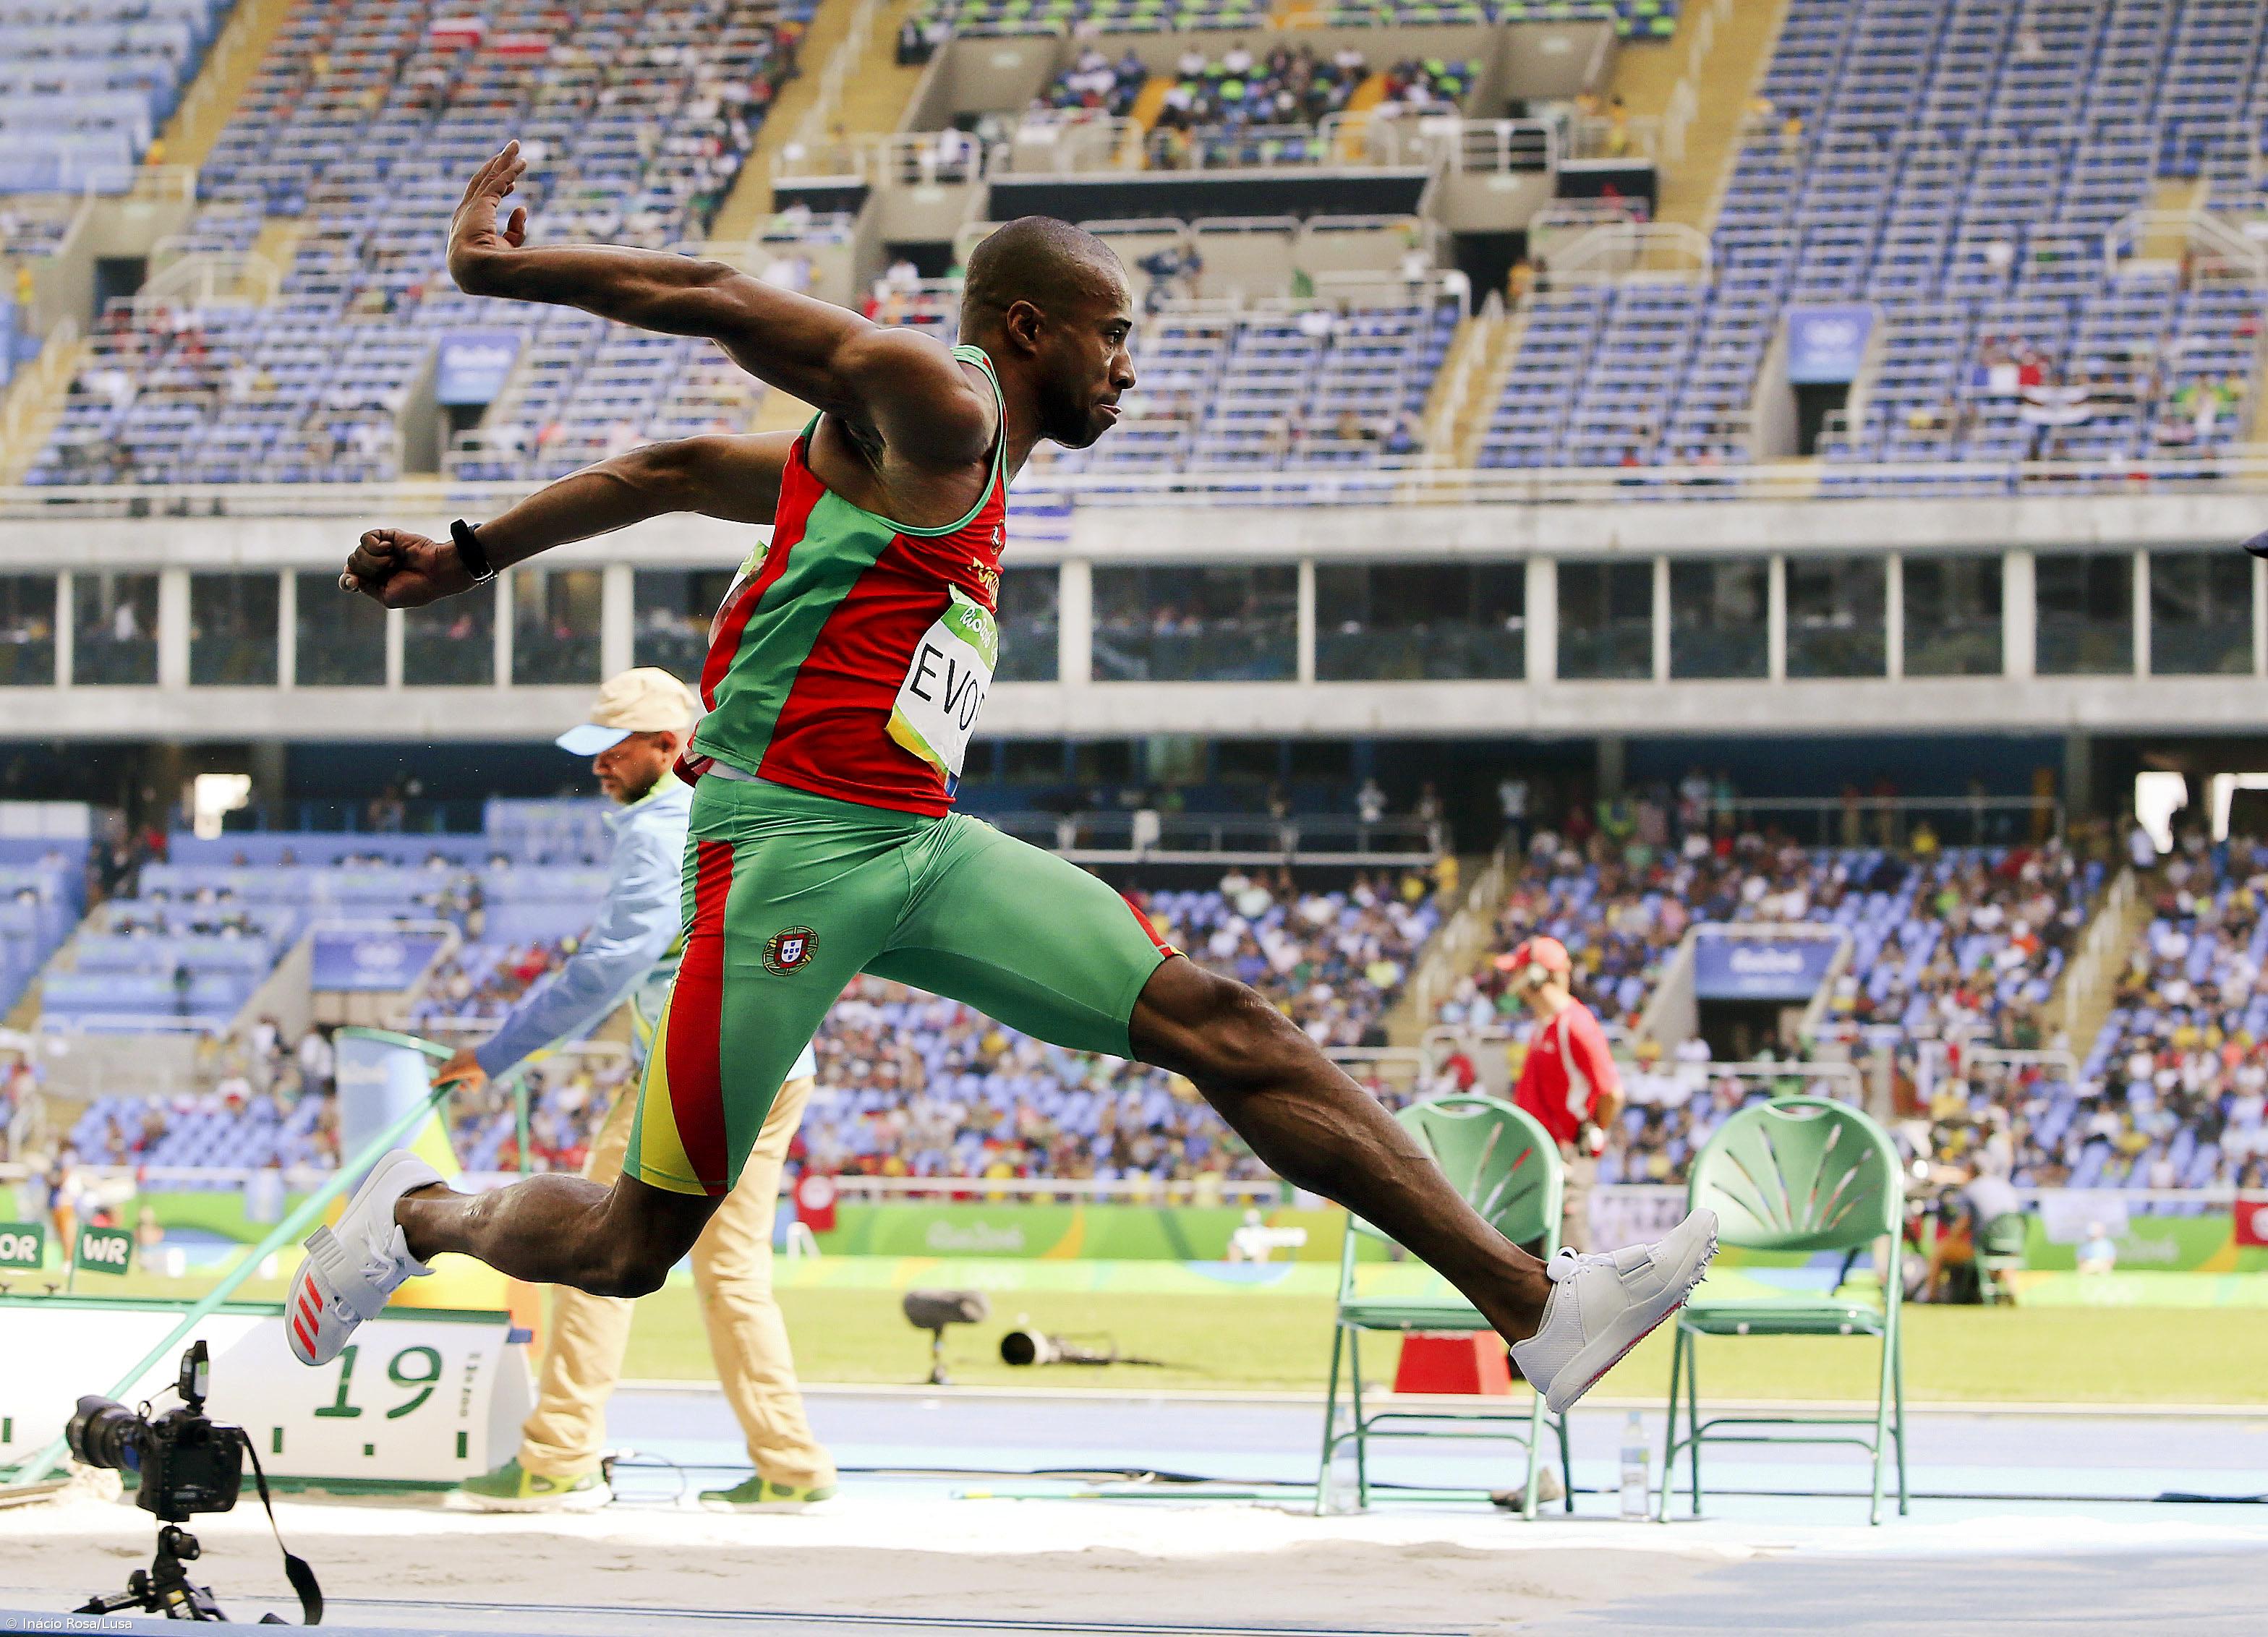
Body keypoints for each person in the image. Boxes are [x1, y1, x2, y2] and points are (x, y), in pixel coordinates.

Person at [295, 143, 1716, 1421]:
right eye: (1112, 334)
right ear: (1026, 327)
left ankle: (1534, 1303)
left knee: (1225, 1023)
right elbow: (720, 295)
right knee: (627, 1246)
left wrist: (472, 551)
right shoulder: (940, 410)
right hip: (779, 851)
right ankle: (420, 1214)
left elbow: (666, 468)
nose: (1128, 367)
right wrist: (505, 269)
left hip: (913, 846)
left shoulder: (910, 469)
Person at [437, 669, 837, 1515]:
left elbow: (614, 962)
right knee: (732, 1274)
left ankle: (558, 1457)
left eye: (612, 749)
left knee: (589, 1243)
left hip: (690, 1070)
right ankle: (791, 1464)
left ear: (666, 745)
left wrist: (497, 1050)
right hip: (775, 1062)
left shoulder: (661, 825)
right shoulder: (730, 803)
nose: (596, 767)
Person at [1498, 935, 1624, 1257]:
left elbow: (1612, 1092)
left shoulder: (1575, 1024)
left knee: (1570, 1260)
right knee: (1529, 1260)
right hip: (1541, 1156)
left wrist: (1589, 1134)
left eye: (1519, 971)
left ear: (1536, 976)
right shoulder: (1546, 1024)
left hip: (1565, 1156)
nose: (1513, 980)